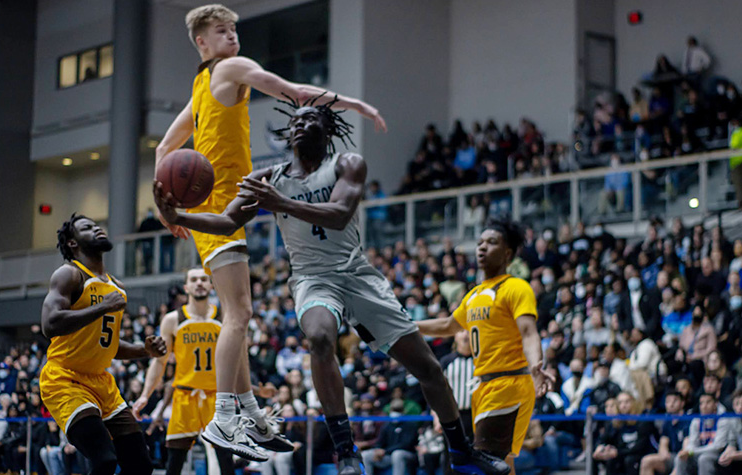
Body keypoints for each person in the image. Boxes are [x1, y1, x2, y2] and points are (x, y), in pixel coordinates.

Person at [154, 101, 508, 475]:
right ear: (288, 134)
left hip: (358, 275)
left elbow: (339, 216)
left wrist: (280, 203)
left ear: (328, 131)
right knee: (321, 337)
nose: (302, 123)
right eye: (296, 120)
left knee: (429, 368)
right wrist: (179, 216)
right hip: (312, 278)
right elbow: (226, 222)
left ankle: (462, 450)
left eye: (312, 119)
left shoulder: (346, 164)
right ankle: (346, 451)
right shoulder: (268, 178)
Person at [154, 4, 385, 460]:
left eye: (234, 29)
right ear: (202, 42)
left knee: (237, 313)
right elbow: (293, 91)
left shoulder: (201, 85)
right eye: (222, 31)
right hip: (222, 209)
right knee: (239, 314)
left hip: (215, 208)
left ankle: (251, 417)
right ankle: (225, 418)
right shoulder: (233, 68)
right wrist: (353, 103)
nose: (233, 36)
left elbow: (165, 147)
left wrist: (166, 207)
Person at [417, 218, 555, 474]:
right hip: (484, 387)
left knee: (480, 465)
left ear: (507, 253)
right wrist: (410, 326)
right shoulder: (474, 294)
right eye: (480, 242)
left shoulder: (516, 287)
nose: (481, 247)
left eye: (491, 243)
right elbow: (448, 326)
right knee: (501, 465)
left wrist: (536, 365)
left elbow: (528, 332)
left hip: (509, 384)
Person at [39, 214, 167, 475]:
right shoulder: (69, 274)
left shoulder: (116, 287)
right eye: (88, 228)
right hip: (65, 379)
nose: (98, 229)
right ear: (73, 243)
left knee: (141, 466)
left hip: (102, 383)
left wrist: (145, 350)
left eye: (98, 226)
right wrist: (102, 307)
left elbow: (109, 345)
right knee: (104, 460)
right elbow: (49, 324)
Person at [133, 268, 265, 473]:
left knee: (226, 463)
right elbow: (159, 362)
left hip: (218, 398)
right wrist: (144, 395)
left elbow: (239, 362)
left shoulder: (225, 317)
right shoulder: (172, 319)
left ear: (211, 286)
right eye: (194, 280)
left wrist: (253, 392)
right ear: (186, 287)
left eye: (204, 279)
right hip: (185, 396)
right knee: (174, 464)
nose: (199, 283)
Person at [674, 393, 730, 475]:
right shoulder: (696, 421)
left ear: (715, 404)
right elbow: (692, 443)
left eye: (708, 402)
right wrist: (686, 452)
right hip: (698, 453)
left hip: (718, 455)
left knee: (704, 459)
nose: (704, 406)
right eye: (701, 403)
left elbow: (718, 446)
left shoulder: (722, 420)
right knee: (680, 458)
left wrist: (691, 452)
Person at [639, 391, 690, 475]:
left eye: (675, 401)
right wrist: (663, 452)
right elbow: (663, 442)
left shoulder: (687, 421)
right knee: (646, 461)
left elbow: (686, 448)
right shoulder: (667, 422)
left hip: (684, 458)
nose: (671, 404)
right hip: (672, 457)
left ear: (682, 403)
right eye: (668, 401)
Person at [716, 390, 742, 474]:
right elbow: (732, 444)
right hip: (741, 454)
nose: (740, 407)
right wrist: (726, 455)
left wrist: (735, 455)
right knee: (723, 462)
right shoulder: (733, 421)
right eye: (737, 404)